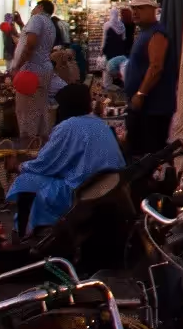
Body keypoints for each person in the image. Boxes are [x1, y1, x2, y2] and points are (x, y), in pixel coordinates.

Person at [7, 83, 124, 234]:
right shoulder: (99, 123)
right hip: (109, 185)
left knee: (26, 180)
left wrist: (18, 166)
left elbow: (45, 164)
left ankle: (23, 232)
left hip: (82, 190)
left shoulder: (69, 126)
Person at [121, 0, 179, 156]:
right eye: (133, 8)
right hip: (144, 108)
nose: (135, 12)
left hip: (153, 108)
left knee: (149, 154)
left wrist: (141, 93)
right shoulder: (145, 33)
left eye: (140, 8)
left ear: (152, 9)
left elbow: (156, 67)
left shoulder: (157, 33)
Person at [11, 0, 60, 147]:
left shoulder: (37, 19)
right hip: (42, 69)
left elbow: (31, 43)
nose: (32, 10)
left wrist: (17, 67)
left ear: (40, 7)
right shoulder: (49, 23)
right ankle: (40, 143)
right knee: (39, 107)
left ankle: (29, 145)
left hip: (31, 70)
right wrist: (20, 23)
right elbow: (30, 38)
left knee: (26, 110)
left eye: (34, 7)